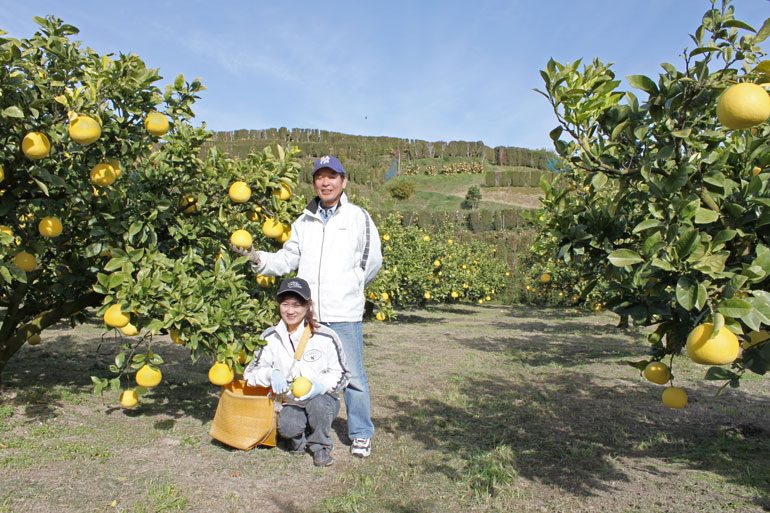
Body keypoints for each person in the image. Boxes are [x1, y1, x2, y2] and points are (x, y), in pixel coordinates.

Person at [233, 154, 382, 458]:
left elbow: (371, 261)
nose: (325, 182)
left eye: (332, 176)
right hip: (309, 315)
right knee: (307, 371)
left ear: (344, 181)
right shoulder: (303, 221)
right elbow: (288, 258)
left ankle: (361, 433)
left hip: (343, 312)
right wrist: (256, 258)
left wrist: (351, 287)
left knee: (353, 375)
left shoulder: (358, 217)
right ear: (314, 183)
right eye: (319, 177)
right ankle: (309, 428)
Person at [243, 277, 350, 467]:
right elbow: (250, 373)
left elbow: (342, 373)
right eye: (285, 304)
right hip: (290, 402)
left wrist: (320, 386)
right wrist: (270, 374)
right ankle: (298, 441)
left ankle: (320, 446)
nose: (290, 310)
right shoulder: (269, 337)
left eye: (297, 304)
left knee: (318, 406)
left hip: (322, 399)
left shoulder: (325, 336)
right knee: (288, 427)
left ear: (308, 306)